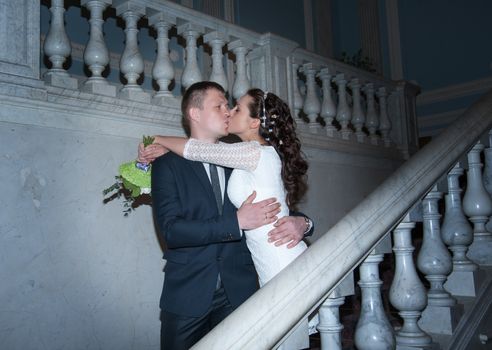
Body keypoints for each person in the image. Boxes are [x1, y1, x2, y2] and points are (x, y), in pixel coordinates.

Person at [141, 82, 313, 350]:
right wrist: (236, 222)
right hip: (189, 294)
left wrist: (304, 222)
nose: (227, 111)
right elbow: (172, 231)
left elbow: (276, 205)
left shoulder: (241, 159)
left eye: (231, 106)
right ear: (194, 114)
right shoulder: (167, 165)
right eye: (219, 105)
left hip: (240, 292)